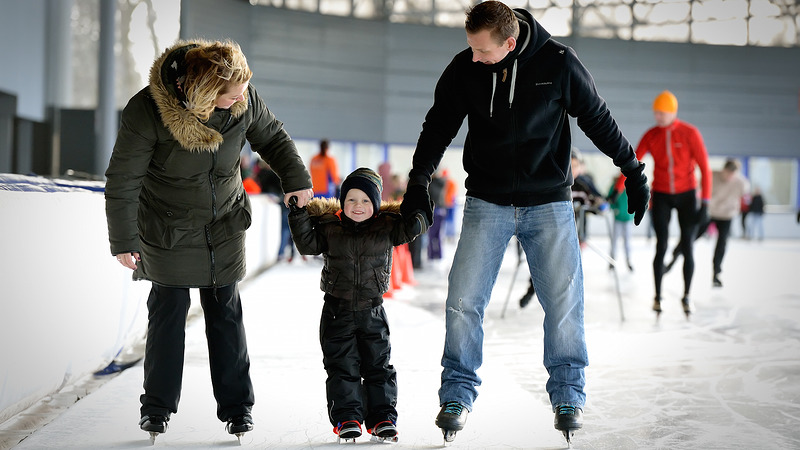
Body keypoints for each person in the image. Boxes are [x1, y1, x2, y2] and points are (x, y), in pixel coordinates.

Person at [398, 1, 650, 443]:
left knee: (564, 302)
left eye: (482, 50)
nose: (473, 57)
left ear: (510, 42)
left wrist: (631, 169)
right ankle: (457, 392)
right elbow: (438, 125)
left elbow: (596, 116)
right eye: (471, 49)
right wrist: (419, 181)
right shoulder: (465, 67)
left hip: (548, 203)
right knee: (462, 300)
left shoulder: (558, 63)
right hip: (486, 201)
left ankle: (568, 393)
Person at [104, 39, 313, 441]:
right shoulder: (147, 110)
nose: (240, 100)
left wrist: (296, 180)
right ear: (200, 91)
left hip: (223, 223)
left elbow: (273, 138)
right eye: (230, 95)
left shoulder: (241, 96)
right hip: (169, 226)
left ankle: (237, 409)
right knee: (168, 311)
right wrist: (124, 238)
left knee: (225, 313)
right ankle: (157, 408)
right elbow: (124, 179)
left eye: (242, 92)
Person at [287, 168, 430, 442]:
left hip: (372, 311)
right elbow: (307, 245)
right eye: (351, 200)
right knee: (342, 366)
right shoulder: (331, 227)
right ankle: (347, 417)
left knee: (378, 365)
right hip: (336, 311)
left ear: (376, 205)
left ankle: (383, 418)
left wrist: (420, 199)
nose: (358, 206)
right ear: (342, 202)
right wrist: (297, 214)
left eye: (365, 201)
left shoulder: (387, 226)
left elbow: (414, 226)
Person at [613, 90, 711, 317]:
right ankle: (658, 297)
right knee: (661, 245)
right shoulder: (652, 134)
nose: (658, 117)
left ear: (672, 112)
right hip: (662, 194)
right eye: (656, 113)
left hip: (687, 194)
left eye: (662, 113)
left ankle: (687, 296)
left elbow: (705, 169)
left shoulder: (690, 133)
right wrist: (617, 190)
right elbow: (633, 162)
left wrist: (705, 202)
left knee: (688, 246)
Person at [664, 159, 749, 287]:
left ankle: (716, 273)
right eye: (727, 173)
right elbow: (696, 188)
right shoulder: (711, 176)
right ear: (723, 170)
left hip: (727, 215)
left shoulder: (741, 183)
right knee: (691, 236)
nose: (729, 177)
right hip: (710, 212)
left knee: (722, 244)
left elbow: (745, 196)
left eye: (733, 174)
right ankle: (673, 259)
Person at [607, 174, 635, 272]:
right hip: (618, 218)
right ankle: (612, 261)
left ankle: (628, 261)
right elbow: (610, 199)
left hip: (628, 218)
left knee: (627, 241)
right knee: (614, 240)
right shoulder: (615, 186)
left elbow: (636, 199)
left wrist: (633, 213)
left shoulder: (632, 185)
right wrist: (615, 209)